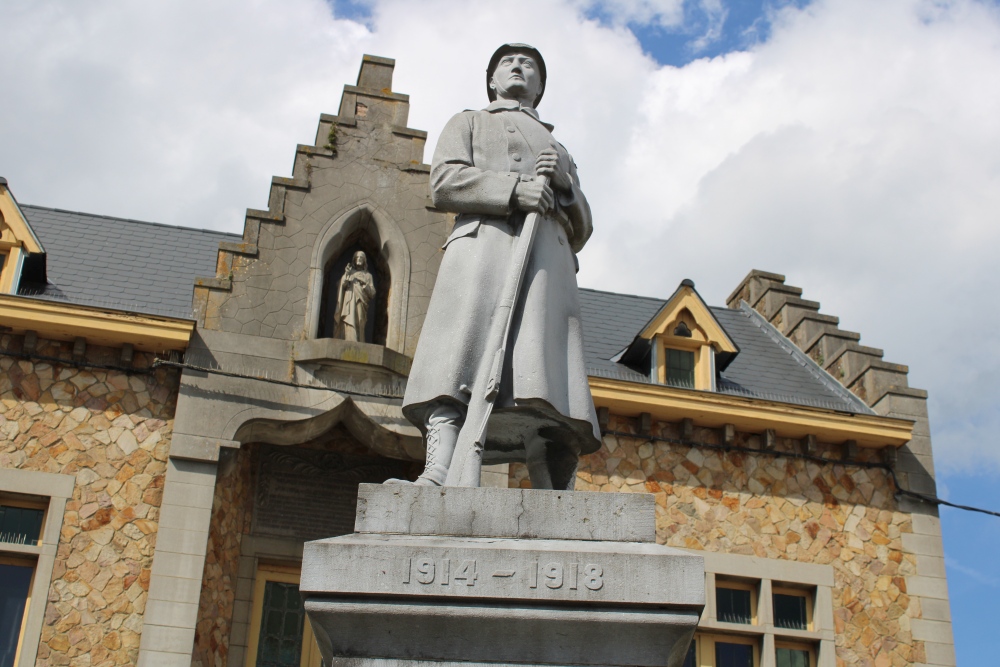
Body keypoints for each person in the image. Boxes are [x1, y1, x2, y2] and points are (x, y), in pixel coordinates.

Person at [397, 43, 601, 489]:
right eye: (508, 62)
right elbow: (445, 183)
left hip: (545, 265)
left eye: (529, 65)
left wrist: (566, 189)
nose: (517, 68)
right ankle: (439, 469)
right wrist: (514, 190)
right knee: (459, 359)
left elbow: (583, 228)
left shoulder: (560, 151)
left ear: (540, 87)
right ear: (492, 79)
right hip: (481, 255)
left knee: (541, 374)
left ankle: (551, 486)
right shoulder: (468, 122)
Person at [334, 251, 375, 342]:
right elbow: (342, 285)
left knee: (360, 321)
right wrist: (346, 275)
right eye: (357, 257)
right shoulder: (350, 272)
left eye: (361, 257)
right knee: (348, 319)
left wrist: (364, 284)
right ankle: (348, 339)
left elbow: (372, 293)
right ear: (354, 259)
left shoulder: (368, 276)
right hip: (349, 301)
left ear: (364, 260)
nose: (359, 259)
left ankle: (360, 341)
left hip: (361, 302)